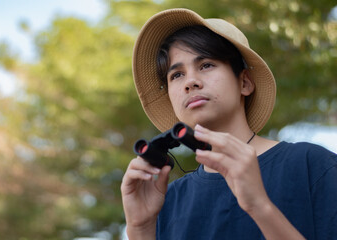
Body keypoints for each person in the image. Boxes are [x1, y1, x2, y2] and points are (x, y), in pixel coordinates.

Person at [121, 8, 337, 240]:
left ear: (244, 82)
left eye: (206, 65)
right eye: (176, 75)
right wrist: (140, 228)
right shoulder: (167, 199)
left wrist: (259, 206)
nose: (190, 82)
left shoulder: (311, 165)